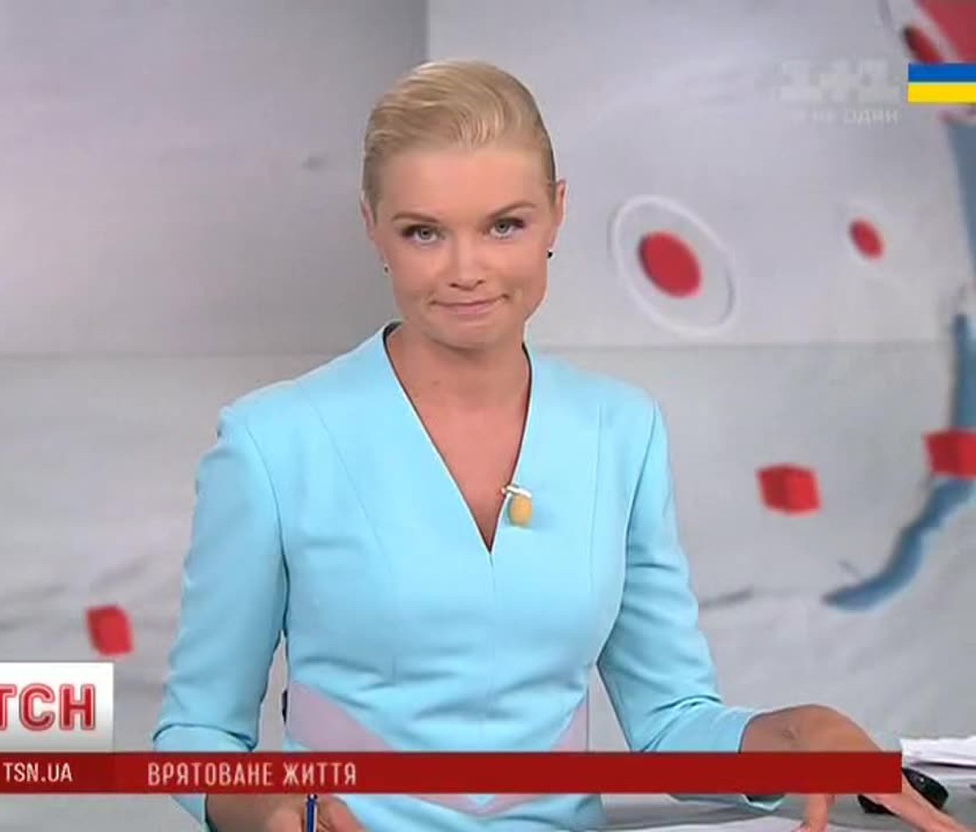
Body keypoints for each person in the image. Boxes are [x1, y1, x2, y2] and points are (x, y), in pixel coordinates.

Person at [152, 59, 970, 832]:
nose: (467, 270)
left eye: (504, 225)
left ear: (557, 212)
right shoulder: (273, 442)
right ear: (372, 228)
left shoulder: (620, 430)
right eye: (424, 233)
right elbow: (196, 738)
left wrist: (797, 733)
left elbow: (671, 725)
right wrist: (275, 813)